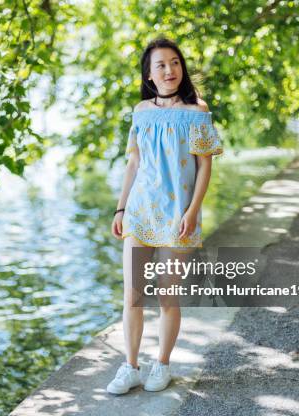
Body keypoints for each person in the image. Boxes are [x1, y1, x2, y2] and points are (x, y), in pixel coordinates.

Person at [108, 37, 222, 395]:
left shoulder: (197, 111)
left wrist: (193, 210)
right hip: (140, 213)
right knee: (133, 295)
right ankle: (130, 367)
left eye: (175, 62)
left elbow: (205, 168)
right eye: (161, 65)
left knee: (167, 297)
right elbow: (134, 162)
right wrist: (121, 208)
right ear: (149, 74)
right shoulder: (141, 112)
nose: (170, 70)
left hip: (177, 216)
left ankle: (163, 364)